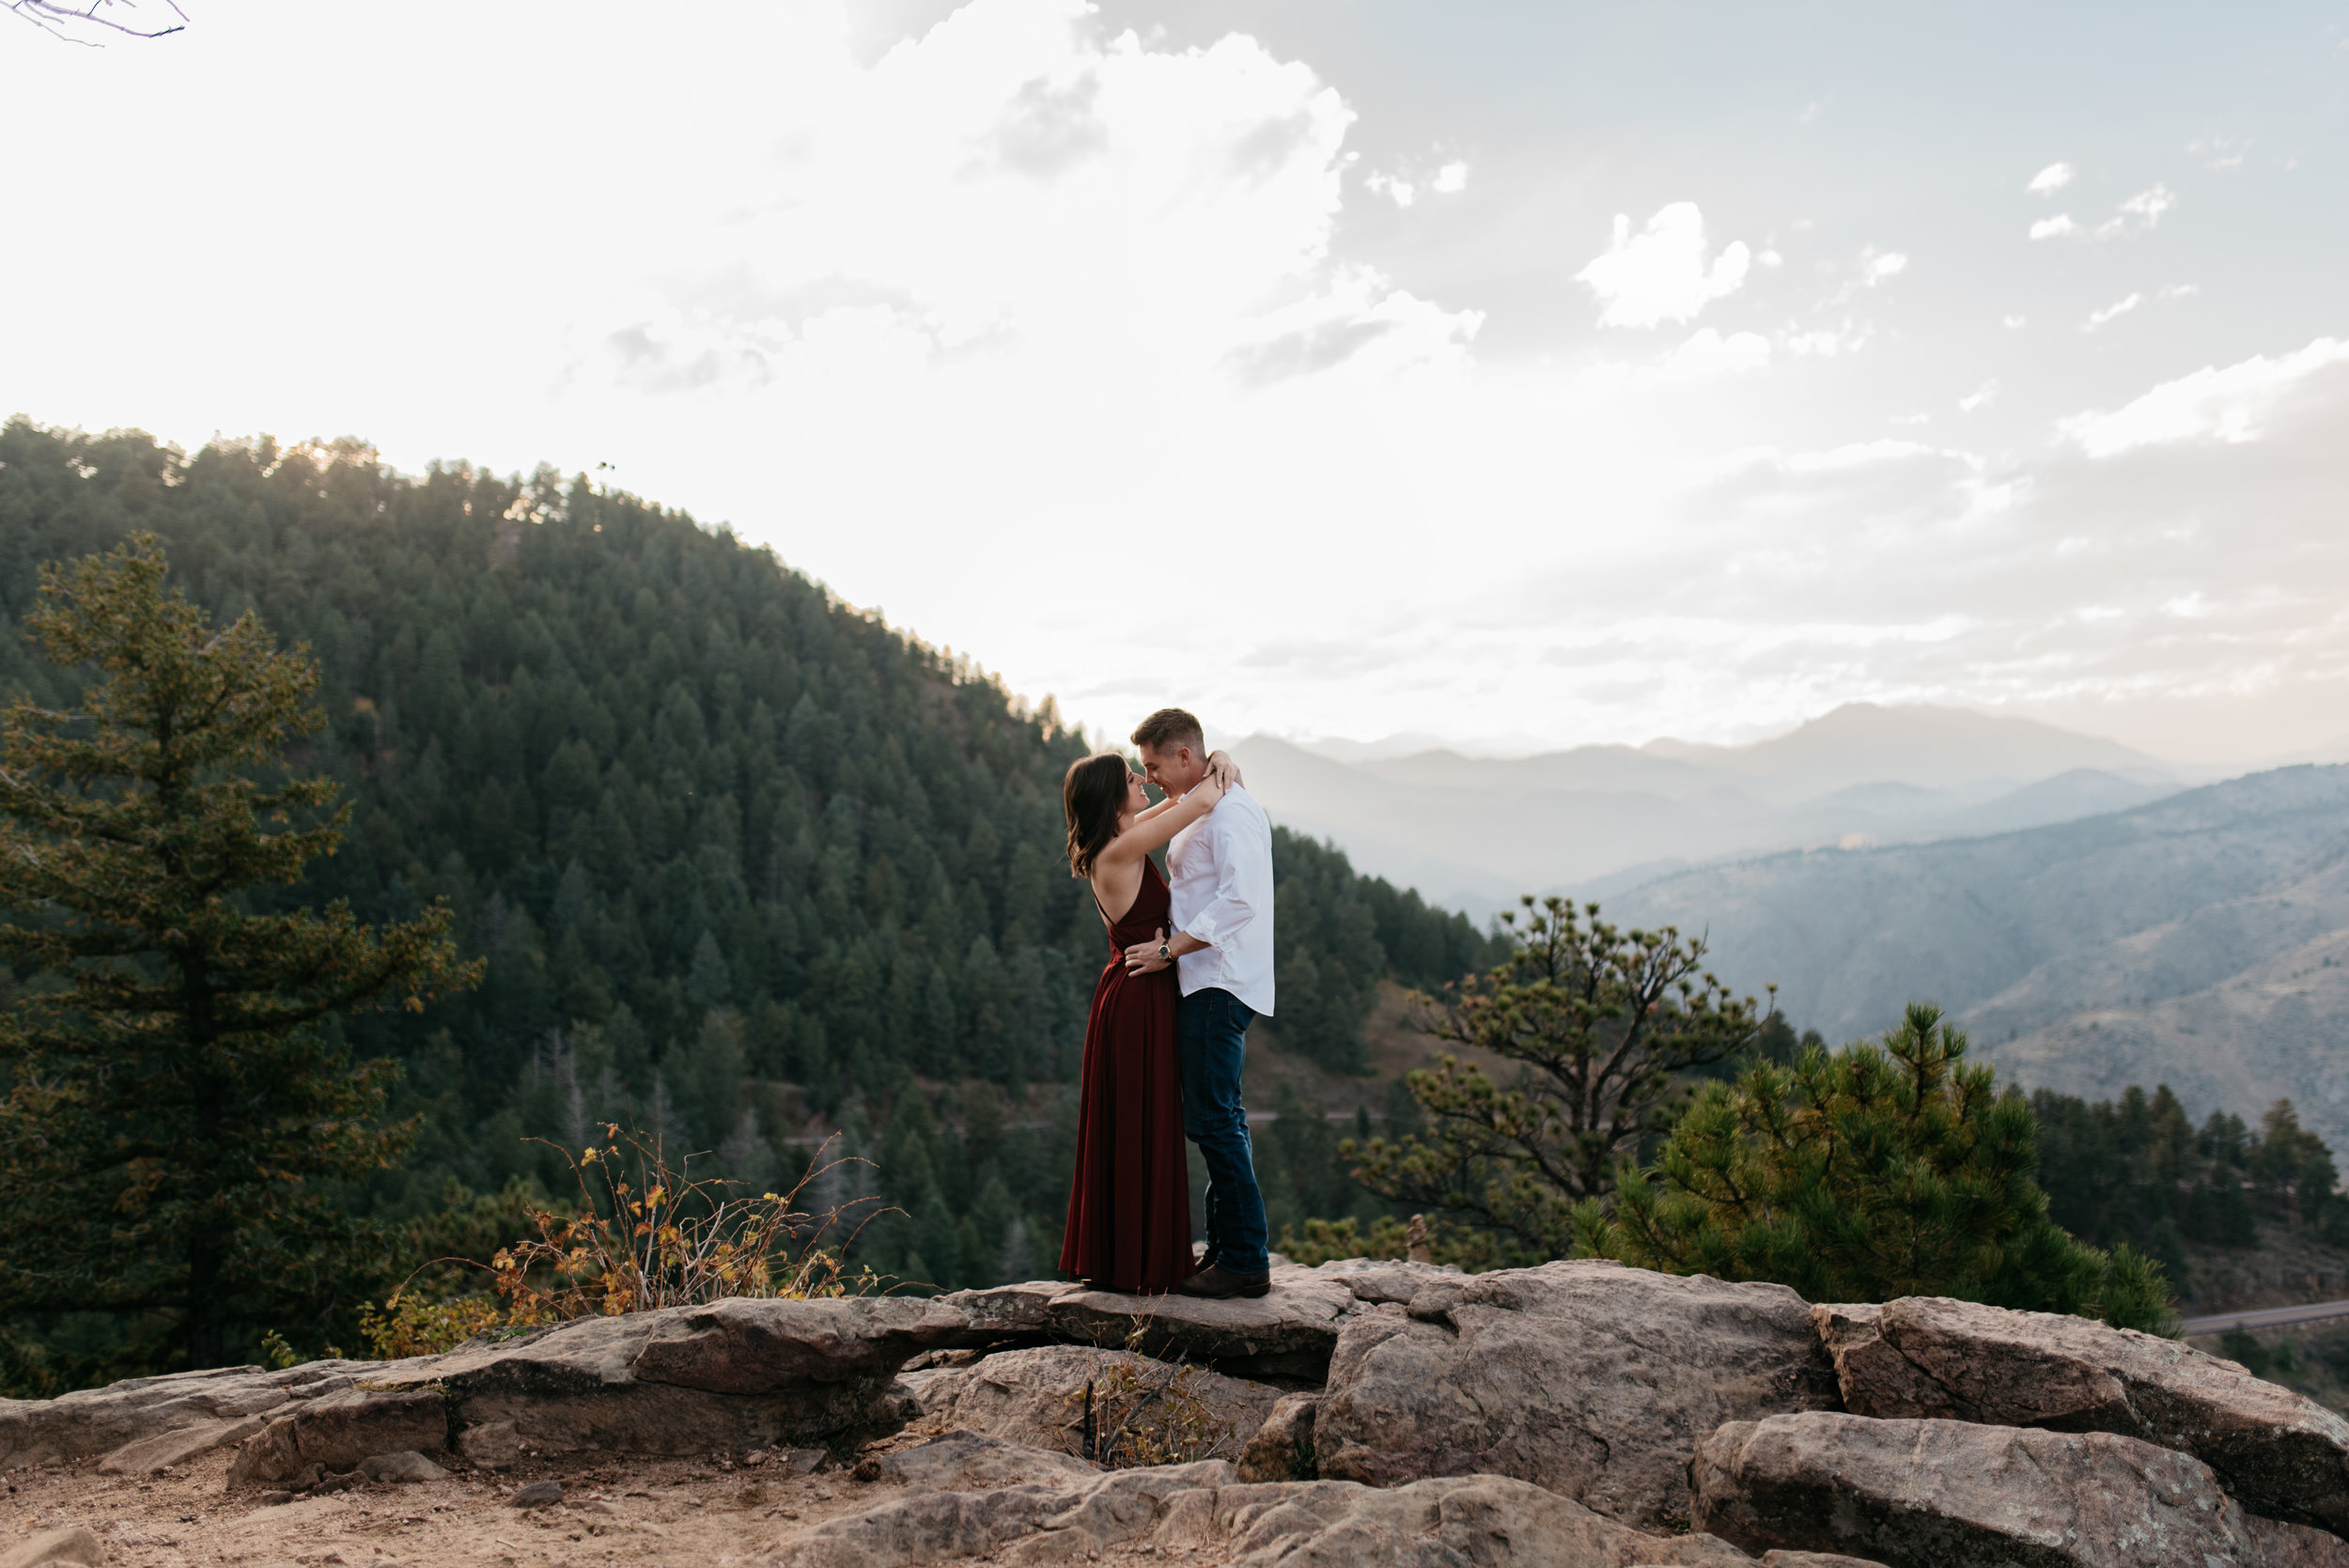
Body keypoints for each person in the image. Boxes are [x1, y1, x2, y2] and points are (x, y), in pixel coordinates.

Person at [1054, 748, 1231, 1294]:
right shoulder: (1119, 848)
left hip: (1137, 993)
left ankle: (1129, 1253)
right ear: (1112, 796)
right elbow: (1201, 798)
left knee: (1141, 1120)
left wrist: (1210, 761)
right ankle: (1136, 1261)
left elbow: (1179, 800)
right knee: (1140, 1120)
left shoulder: (1122, 837)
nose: (1141, 778)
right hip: (1136, 1000)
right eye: (1132, 777)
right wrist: (1221, 768)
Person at [1124, 708, 1276, 1300]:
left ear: (1183, 756)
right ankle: (1228, 1248)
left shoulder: (1232, 812)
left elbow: (1240, 901)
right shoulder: (1209, 801)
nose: (1151, 776)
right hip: (1205, 978)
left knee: (1215, 1119)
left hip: (1219, 980)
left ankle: (1244, 1260)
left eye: (1153, 765)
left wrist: (1170, 948)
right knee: (1215, 1118)